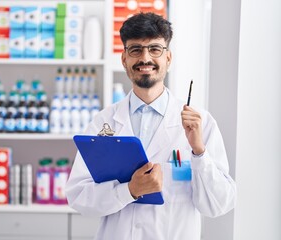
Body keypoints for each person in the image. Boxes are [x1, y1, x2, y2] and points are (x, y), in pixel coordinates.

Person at [65, 12, 236, 240]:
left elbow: (219, 205)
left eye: (155, 49)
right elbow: (79, 196)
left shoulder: (200, 124)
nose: (145, 58)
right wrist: (129, 190)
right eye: (136, 49)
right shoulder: (103, 123)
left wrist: (198, 152)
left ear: (168, 58)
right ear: (124, 59)